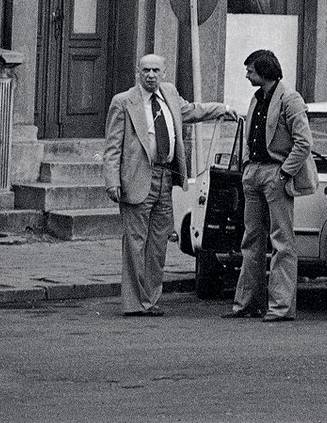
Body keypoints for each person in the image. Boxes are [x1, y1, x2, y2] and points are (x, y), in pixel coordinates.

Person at [103, 54, 238, 316]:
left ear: (164, 73)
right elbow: (112, 146)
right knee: (135, 243)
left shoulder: (170, 94)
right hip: (137, 177)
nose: (151, 75)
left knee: (158, 242)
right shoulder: (123, 102)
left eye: (156, 70)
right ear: (137, 73)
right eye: (146, 70)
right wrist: (112, 181)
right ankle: (134, 303)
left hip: (166, 179)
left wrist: (221, 108)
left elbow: (192, 111)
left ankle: (150, 300)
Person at [227, 49, 315, 323]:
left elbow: (304, 142)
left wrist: (284, 173)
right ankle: (246, 303)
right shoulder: (257, 98)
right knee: (250, 240)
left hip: (275, 174)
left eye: (250, 71)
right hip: (253, 173)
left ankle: (280, 307)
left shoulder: (290, 99)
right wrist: (245, 166)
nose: (247, 75)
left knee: (282, 242)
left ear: (264, 72)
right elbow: (249, 133)